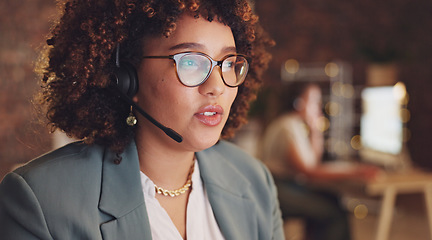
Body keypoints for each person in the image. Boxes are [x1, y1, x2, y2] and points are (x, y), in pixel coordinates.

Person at [0, 0, 283, 239]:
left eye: (229, 63)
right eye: (190, 61)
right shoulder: (41, 201)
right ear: (127, 79)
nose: (217, 87)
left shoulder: (254, 181)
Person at [260, 83, 379, 240]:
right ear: (298, 102)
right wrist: (355, 172)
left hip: (287, 185)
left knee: (333, 199)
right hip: (277, 189)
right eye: (314, 101)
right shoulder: (286, 126)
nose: (318, 106)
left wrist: (315, 130)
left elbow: (313, 162)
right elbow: (308, 172)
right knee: (333, 212)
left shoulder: (294, 125)